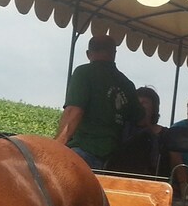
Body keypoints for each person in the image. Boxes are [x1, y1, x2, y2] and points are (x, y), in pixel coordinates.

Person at [55, 34, 142, 170]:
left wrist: (55, 149)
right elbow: (140, 119)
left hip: (84, 151)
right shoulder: (127, 84)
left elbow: (74, 112)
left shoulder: (84, 72)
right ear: (114, 53)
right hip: (114, 159)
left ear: (89, 54)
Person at [107, 85, 167, 176]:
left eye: (144, 103)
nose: (141, 106)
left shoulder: (165, 134)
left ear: (154, 108)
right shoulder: (122, 129)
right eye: (138, 102)